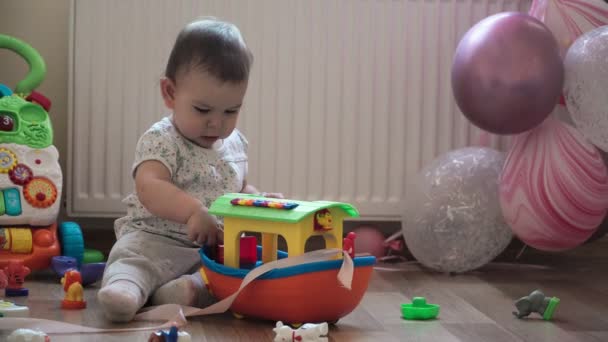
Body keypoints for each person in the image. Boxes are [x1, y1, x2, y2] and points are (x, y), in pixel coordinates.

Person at [97, 18, 282, 322]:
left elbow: (237, 191)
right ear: (170, 93)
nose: (217, 123)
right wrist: (193, 211)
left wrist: (261, 202)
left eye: (230, 111)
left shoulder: (235, 145)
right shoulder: (163, 139)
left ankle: (182, 292)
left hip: (208, 251)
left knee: (232, 276)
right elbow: (150, 187)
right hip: (156, 239)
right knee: (134, 258)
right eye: (203, 110)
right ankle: (126, 288)